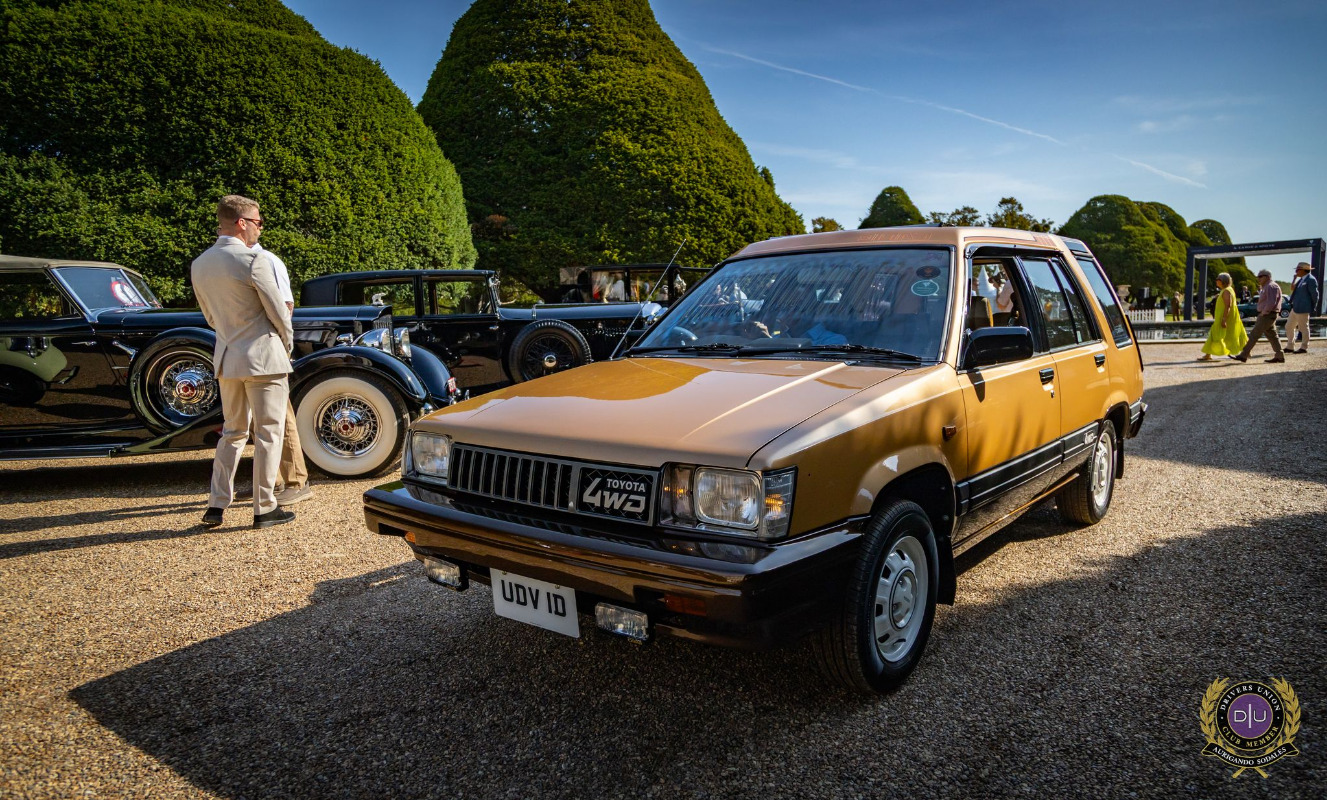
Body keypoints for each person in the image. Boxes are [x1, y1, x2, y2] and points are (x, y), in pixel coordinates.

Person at [191, 195, 296, 528]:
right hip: (264, 357)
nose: (259, 228)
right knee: (268, 433)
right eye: (258, 222)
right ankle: (265, 507)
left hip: (227, 357)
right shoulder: (254, 260)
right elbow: (278, 312)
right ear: (242, 223)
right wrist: (287, 344)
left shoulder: (200, 264)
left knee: (232, 432)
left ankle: (216, 504)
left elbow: (210, 317)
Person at [247, 242, 313, 505]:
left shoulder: (267, 259)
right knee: (256, 417)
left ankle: (297, 481)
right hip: (249, 349)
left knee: (279, 413)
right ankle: (271, 481)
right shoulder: (240, 260)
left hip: (268, 345)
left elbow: (286, 305)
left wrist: (282, 343)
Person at [1234, 269, 1285, 364]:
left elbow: (1271, 302)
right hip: (1268, 314)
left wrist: (1264, 312)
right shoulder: (1267, 286)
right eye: (1258, 276)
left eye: (1260, 276)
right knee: (1272, 336)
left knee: (1254, 334)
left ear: (1267, 277)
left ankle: (1243, 355)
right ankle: (1279, 355)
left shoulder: (1271, 286)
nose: (1258, 278)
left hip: (1267, 315)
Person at [1197, 273, 1247, 362]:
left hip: (1224, 317)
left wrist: (1224, 319)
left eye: (1218, 279)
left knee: (1216, 334)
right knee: (1235, 333)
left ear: (1222, 281)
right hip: (1230, 317)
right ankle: (1246, 351)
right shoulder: (1228, 290)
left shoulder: (1226, 291)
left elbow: (1228, 305)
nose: (1216, 281)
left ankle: (1208, 354)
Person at [1284, 261, 1318, 354]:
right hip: (1295, 307)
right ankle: (1290, 346)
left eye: (1298, 270)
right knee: (1289, 326)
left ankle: (1304, 347)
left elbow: (1315, 294)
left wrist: (1313, 306)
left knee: (1303, 328)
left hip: (1303, 308)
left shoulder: (1311, 280)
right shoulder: (1301, 280)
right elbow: (1292, 288)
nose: (1296, 272)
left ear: (1304, 270)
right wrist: (1294, 279)